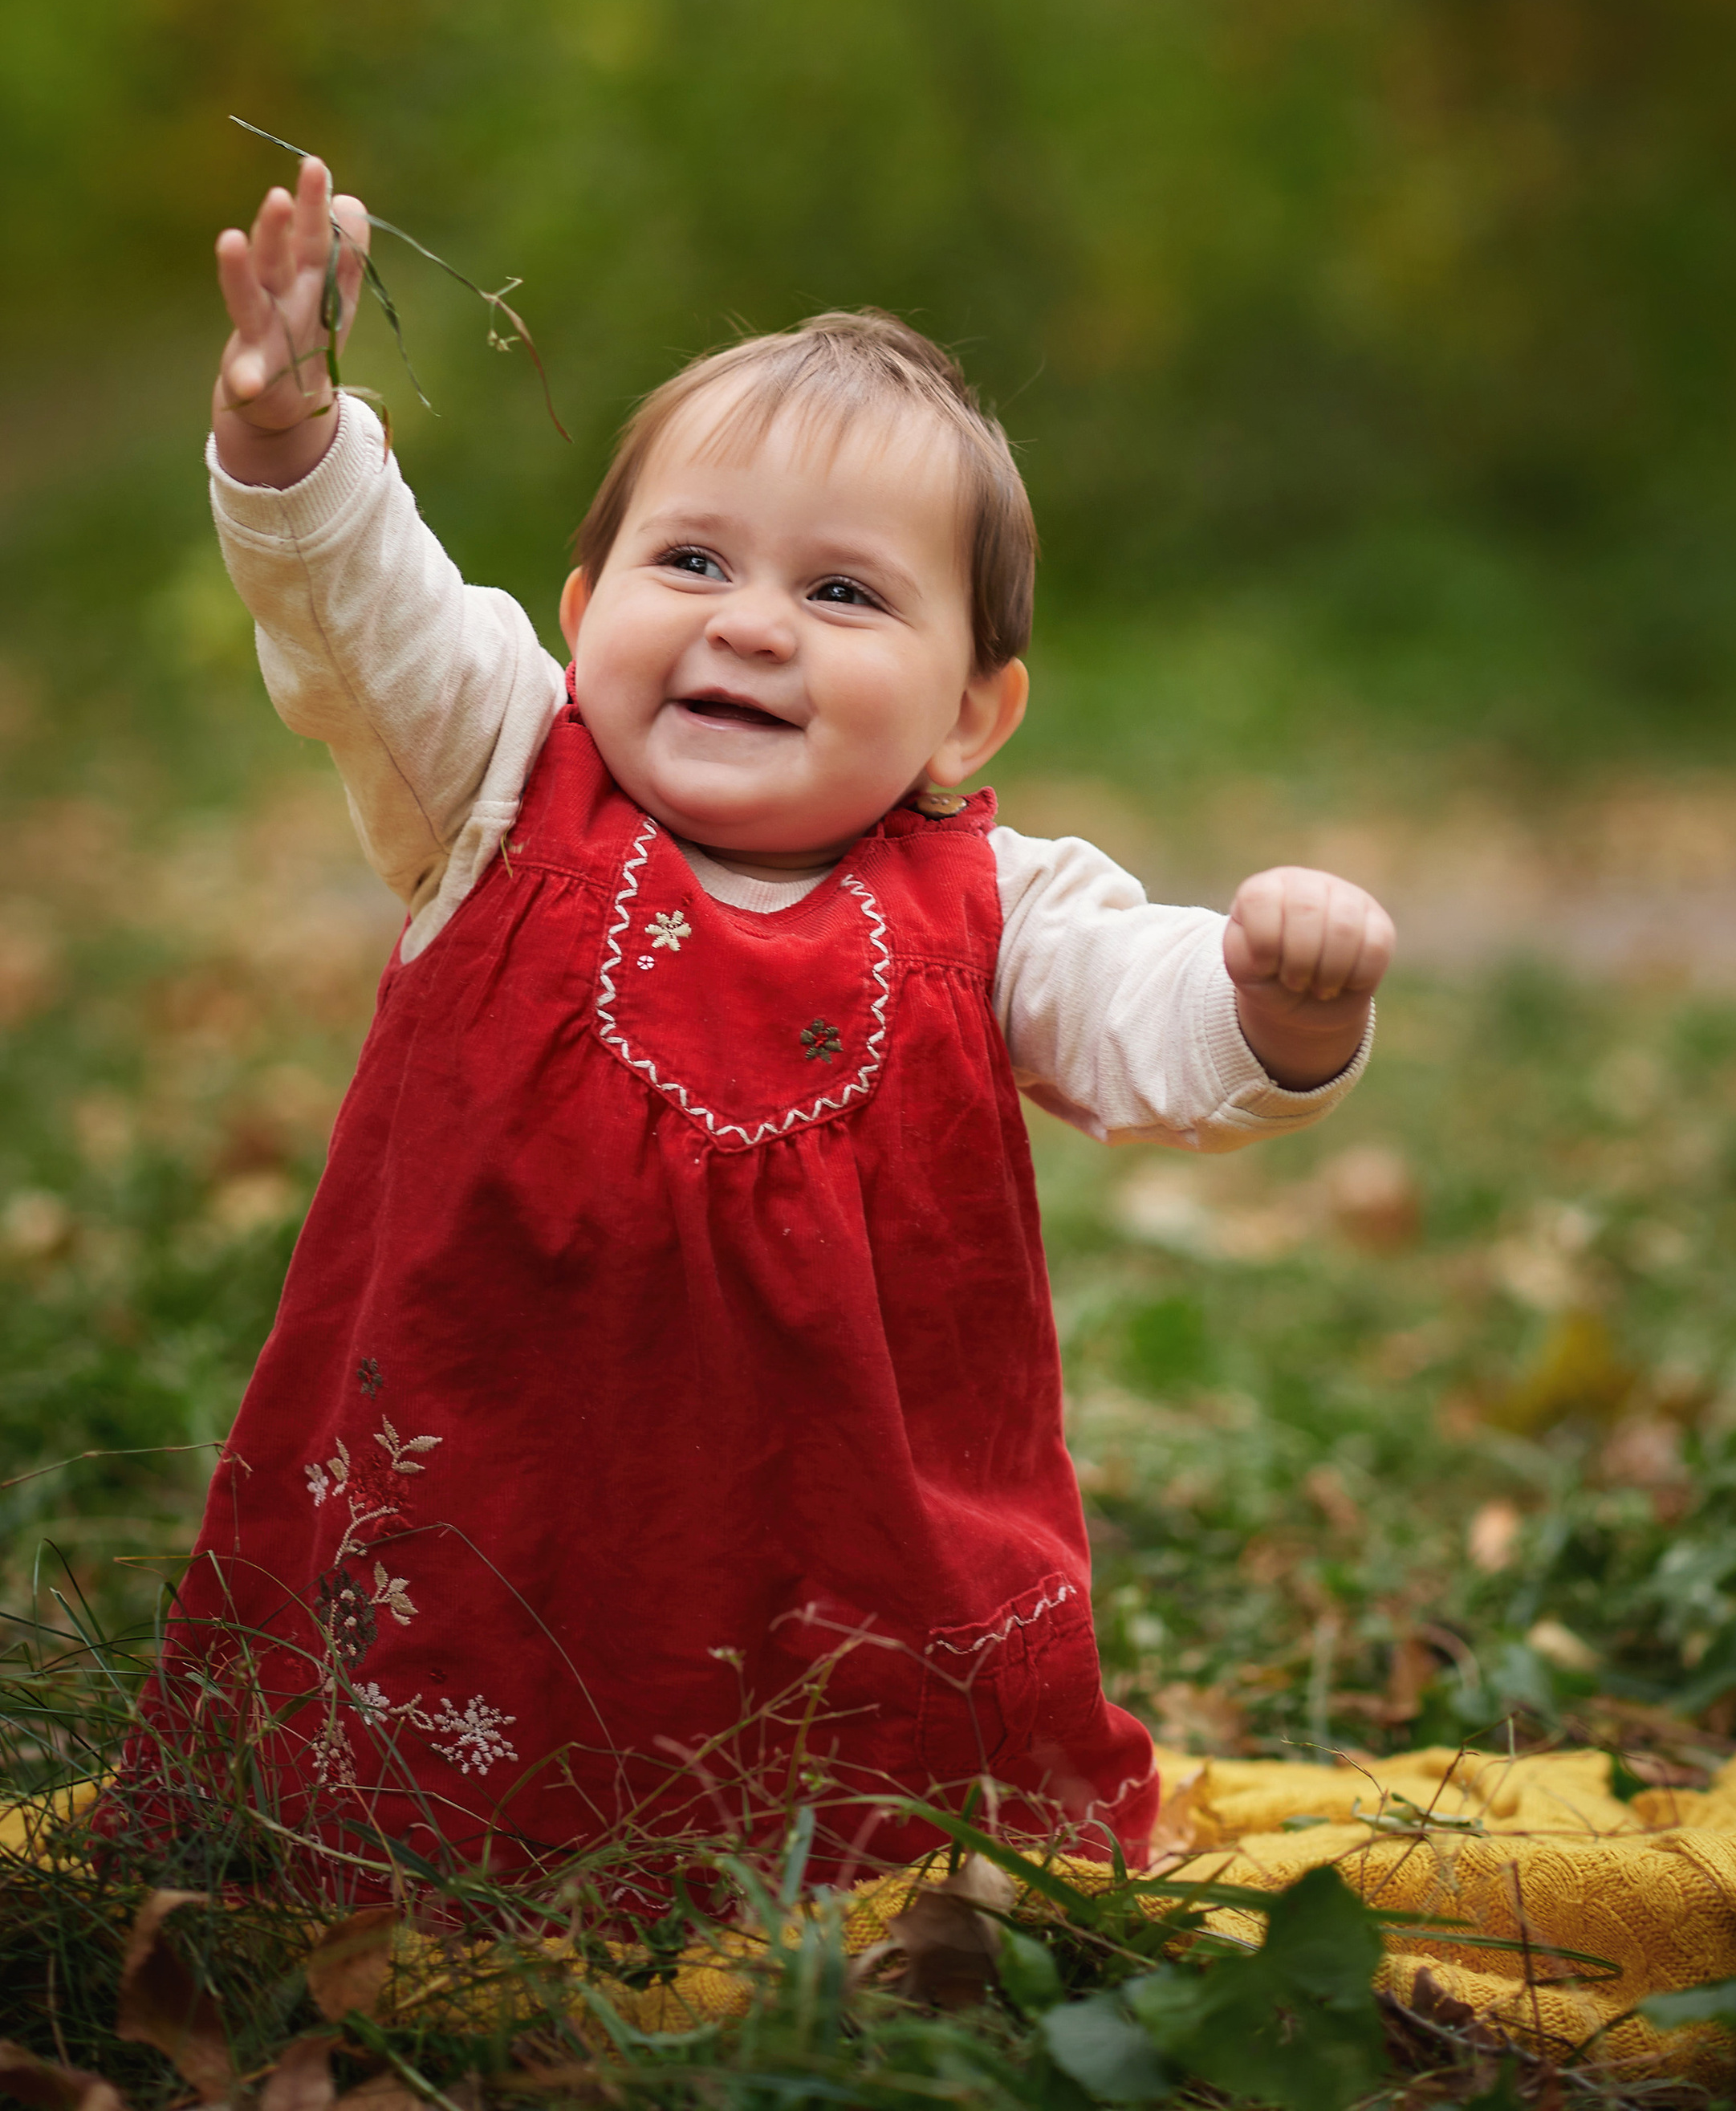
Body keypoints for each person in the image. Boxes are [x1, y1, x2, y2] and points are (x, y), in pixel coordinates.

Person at [120, 156, 1392, 1897]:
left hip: (846, 1550)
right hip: (496, 1508)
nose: (746, 622)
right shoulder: (491, 780)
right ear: (580, 620)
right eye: (693, 558)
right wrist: (292, 437)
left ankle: (850, 1875)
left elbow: (1149, 1026)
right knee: (435, 1757)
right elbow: (361, 615)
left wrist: (1273, 1000)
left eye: (843, 594)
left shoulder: (996, 909)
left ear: (968, 712)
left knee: (867, 1820)